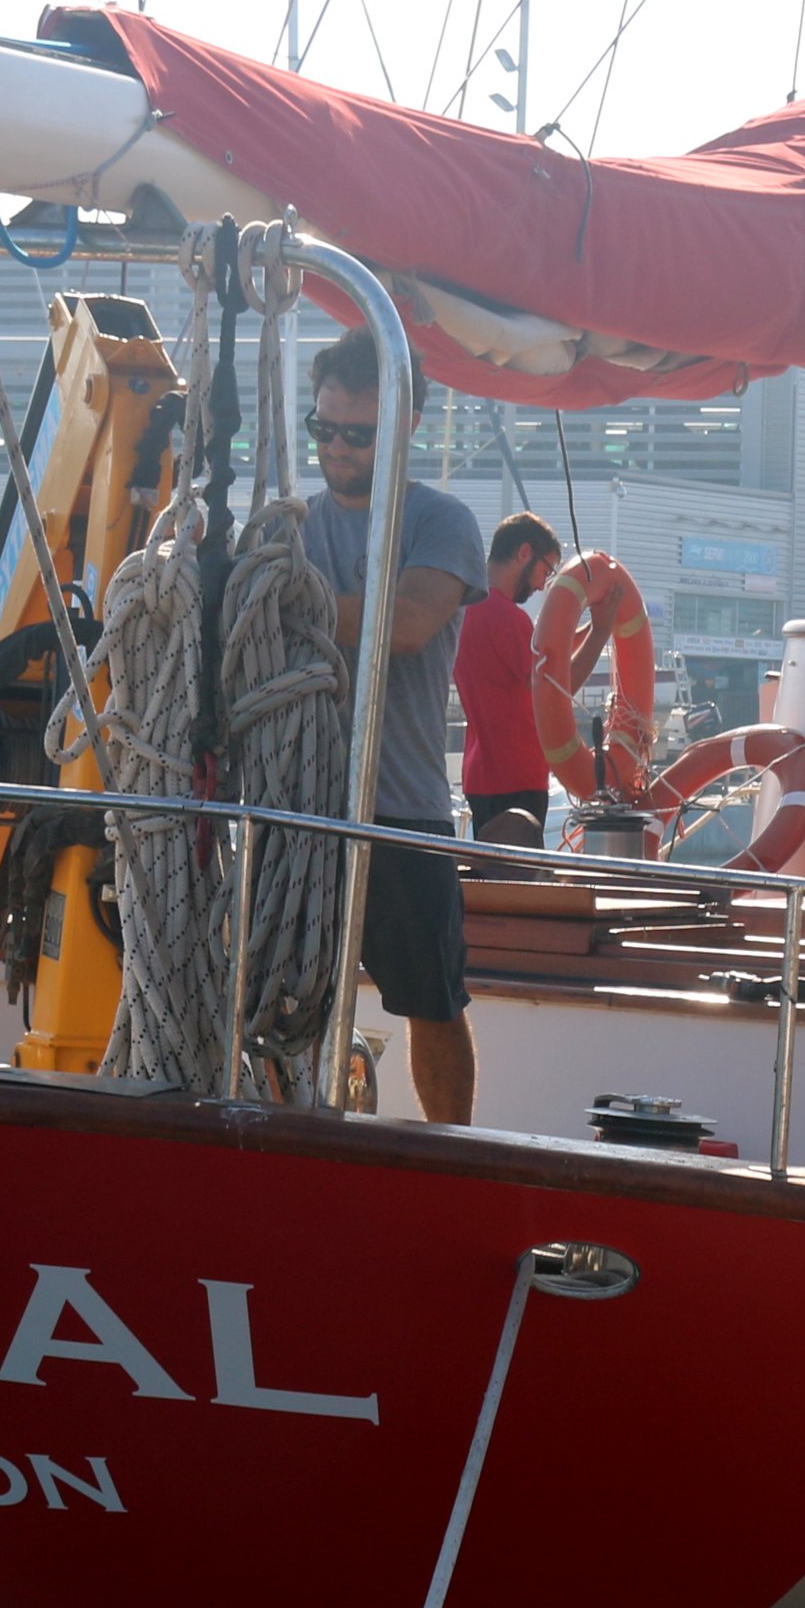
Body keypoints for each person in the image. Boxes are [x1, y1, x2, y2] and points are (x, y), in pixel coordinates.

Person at [298, 333, 495, 1123]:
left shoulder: (440, 521)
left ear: (407, 425)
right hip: (300, 805)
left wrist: (282, 597)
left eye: (358, 433)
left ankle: (454, 1156)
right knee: (281, 990)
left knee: (430, 1001)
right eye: (324, 429)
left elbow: (407, 624)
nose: (337, 448)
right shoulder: (289, 525)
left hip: (401, 811)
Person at [454, 511, 563, 850]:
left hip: (479, 772)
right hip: (518, 772)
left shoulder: (462, 608)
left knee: (492, 877)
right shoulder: (509, 619)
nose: (542, 585)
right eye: (545, 570)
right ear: (524, 553)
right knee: (522, 887)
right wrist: (601, 629)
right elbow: (557, 685)